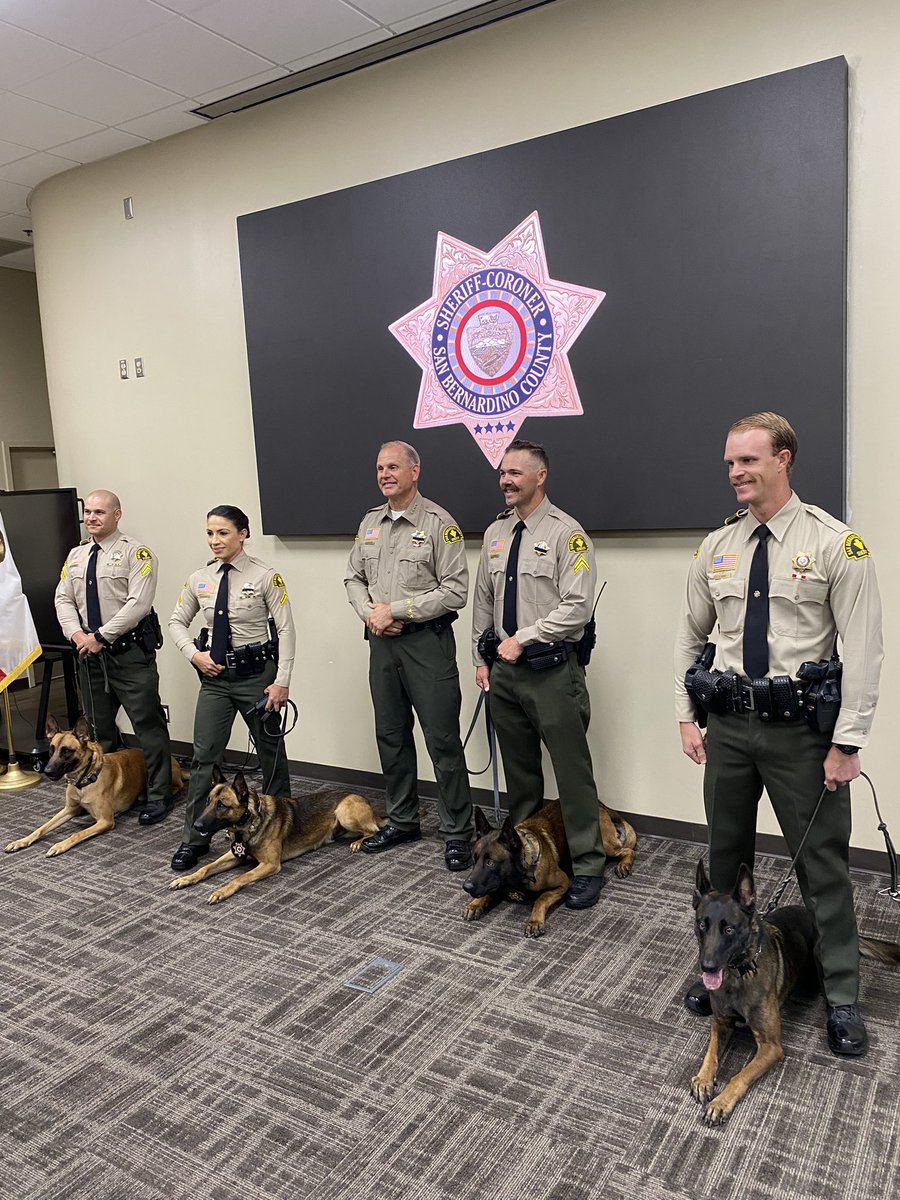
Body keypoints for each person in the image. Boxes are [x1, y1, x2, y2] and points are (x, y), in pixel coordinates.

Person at [675, 412, 883, 1057]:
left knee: (822, 868)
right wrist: (686, 710)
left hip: (799, 737)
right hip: (731, 728)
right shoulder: (717, 546)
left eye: (749, 460)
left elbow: (866, 649)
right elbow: (691, 632)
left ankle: (842, 996)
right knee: (725, 861)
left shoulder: (832, 544)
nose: (736, 472)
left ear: (784, 458)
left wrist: (847, 742)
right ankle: (724, 976)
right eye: (730, 462)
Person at [471, 439, 606, 909]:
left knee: (573, 775)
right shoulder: (495, 533)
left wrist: (525, 636)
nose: (506, 481)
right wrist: (479, 657)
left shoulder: (568, 535)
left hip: (550, 673)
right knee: (522, 775)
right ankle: (521, 858)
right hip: (504, 676)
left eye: (515, 473)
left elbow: (578, 608)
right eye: (502, 473)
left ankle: (588, 865)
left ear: (540, 476)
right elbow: (483, 600)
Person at [344, 441, 475, 870]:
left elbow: (455, 591)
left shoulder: (440, 524)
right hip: (381, 644)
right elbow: (353, 578)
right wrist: (371, 614)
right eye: (380, 467)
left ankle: (458, 830)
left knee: (442, 740)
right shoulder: (369, 523)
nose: (385, 474)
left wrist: (395, 610)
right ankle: (402, 819)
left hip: (426, 645)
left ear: (414, 472)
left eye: (394, 467)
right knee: (391, 734)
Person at [168, 505, 295, 871]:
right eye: (209, 533)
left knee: (270, 754)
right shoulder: (200, 579)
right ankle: (194, 839)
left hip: (257, 677)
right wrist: (195, 655)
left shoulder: (266, 577)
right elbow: (177, 621)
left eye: (223, 533)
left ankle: (279, 830)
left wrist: (281, 680)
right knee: (204, 756)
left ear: (243, 533)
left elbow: (286, 630)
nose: (214, 540)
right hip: (216, 681)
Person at [55, 489, 173, 824]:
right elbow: (62, 598)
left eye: (100, 513)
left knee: (148, 727)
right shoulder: (76, 555)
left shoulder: (137, 553)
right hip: (90, 657)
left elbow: (138, 604)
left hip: (128, 654)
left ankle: (159, 793)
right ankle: (105, 793)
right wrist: (77, 634)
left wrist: (101, 636)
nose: (91, 518)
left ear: (117, 515)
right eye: (88, 512)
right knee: (97, 730)